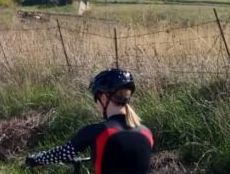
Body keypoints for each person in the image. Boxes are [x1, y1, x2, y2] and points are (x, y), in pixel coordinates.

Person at [25, 69, 153, 174]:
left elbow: (63, 153)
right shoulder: (146, 132)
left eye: (95, 98)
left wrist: (37, 159)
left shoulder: (98, 132)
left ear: (103, 98)